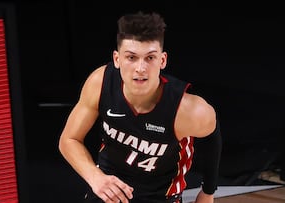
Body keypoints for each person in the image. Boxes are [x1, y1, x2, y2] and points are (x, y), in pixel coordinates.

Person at [58, 11, 222, 203]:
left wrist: (208, 192)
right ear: (117, 59)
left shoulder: (188, 110)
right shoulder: (100, 83)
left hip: (160, 195)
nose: (140, 68)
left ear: (162, 60)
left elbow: (212, 137)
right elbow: (68, 139)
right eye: (131, 57)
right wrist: (95, 177)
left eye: (150, 58)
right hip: (109, 187)